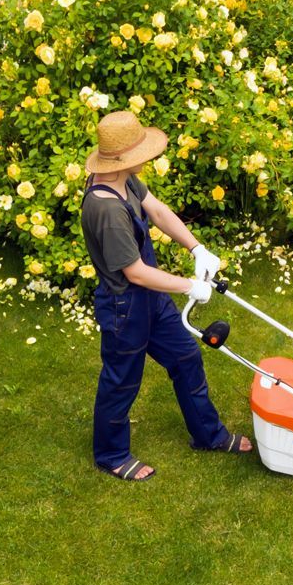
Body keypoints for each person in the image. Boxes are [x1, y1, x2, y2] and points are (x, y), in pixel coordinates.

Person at [79, 111, 253, 481]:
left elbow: (156, 210)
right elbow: (135, 272)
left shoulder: (124, 180)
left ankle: (209, 436)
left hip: (151, 299)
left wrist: (196, 248)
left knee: (186, 356)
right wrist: (190, 286)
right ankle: (111, 454)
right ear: (125, 157)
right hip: (124, 306)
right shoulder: (106, 207)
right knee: (121, 379)